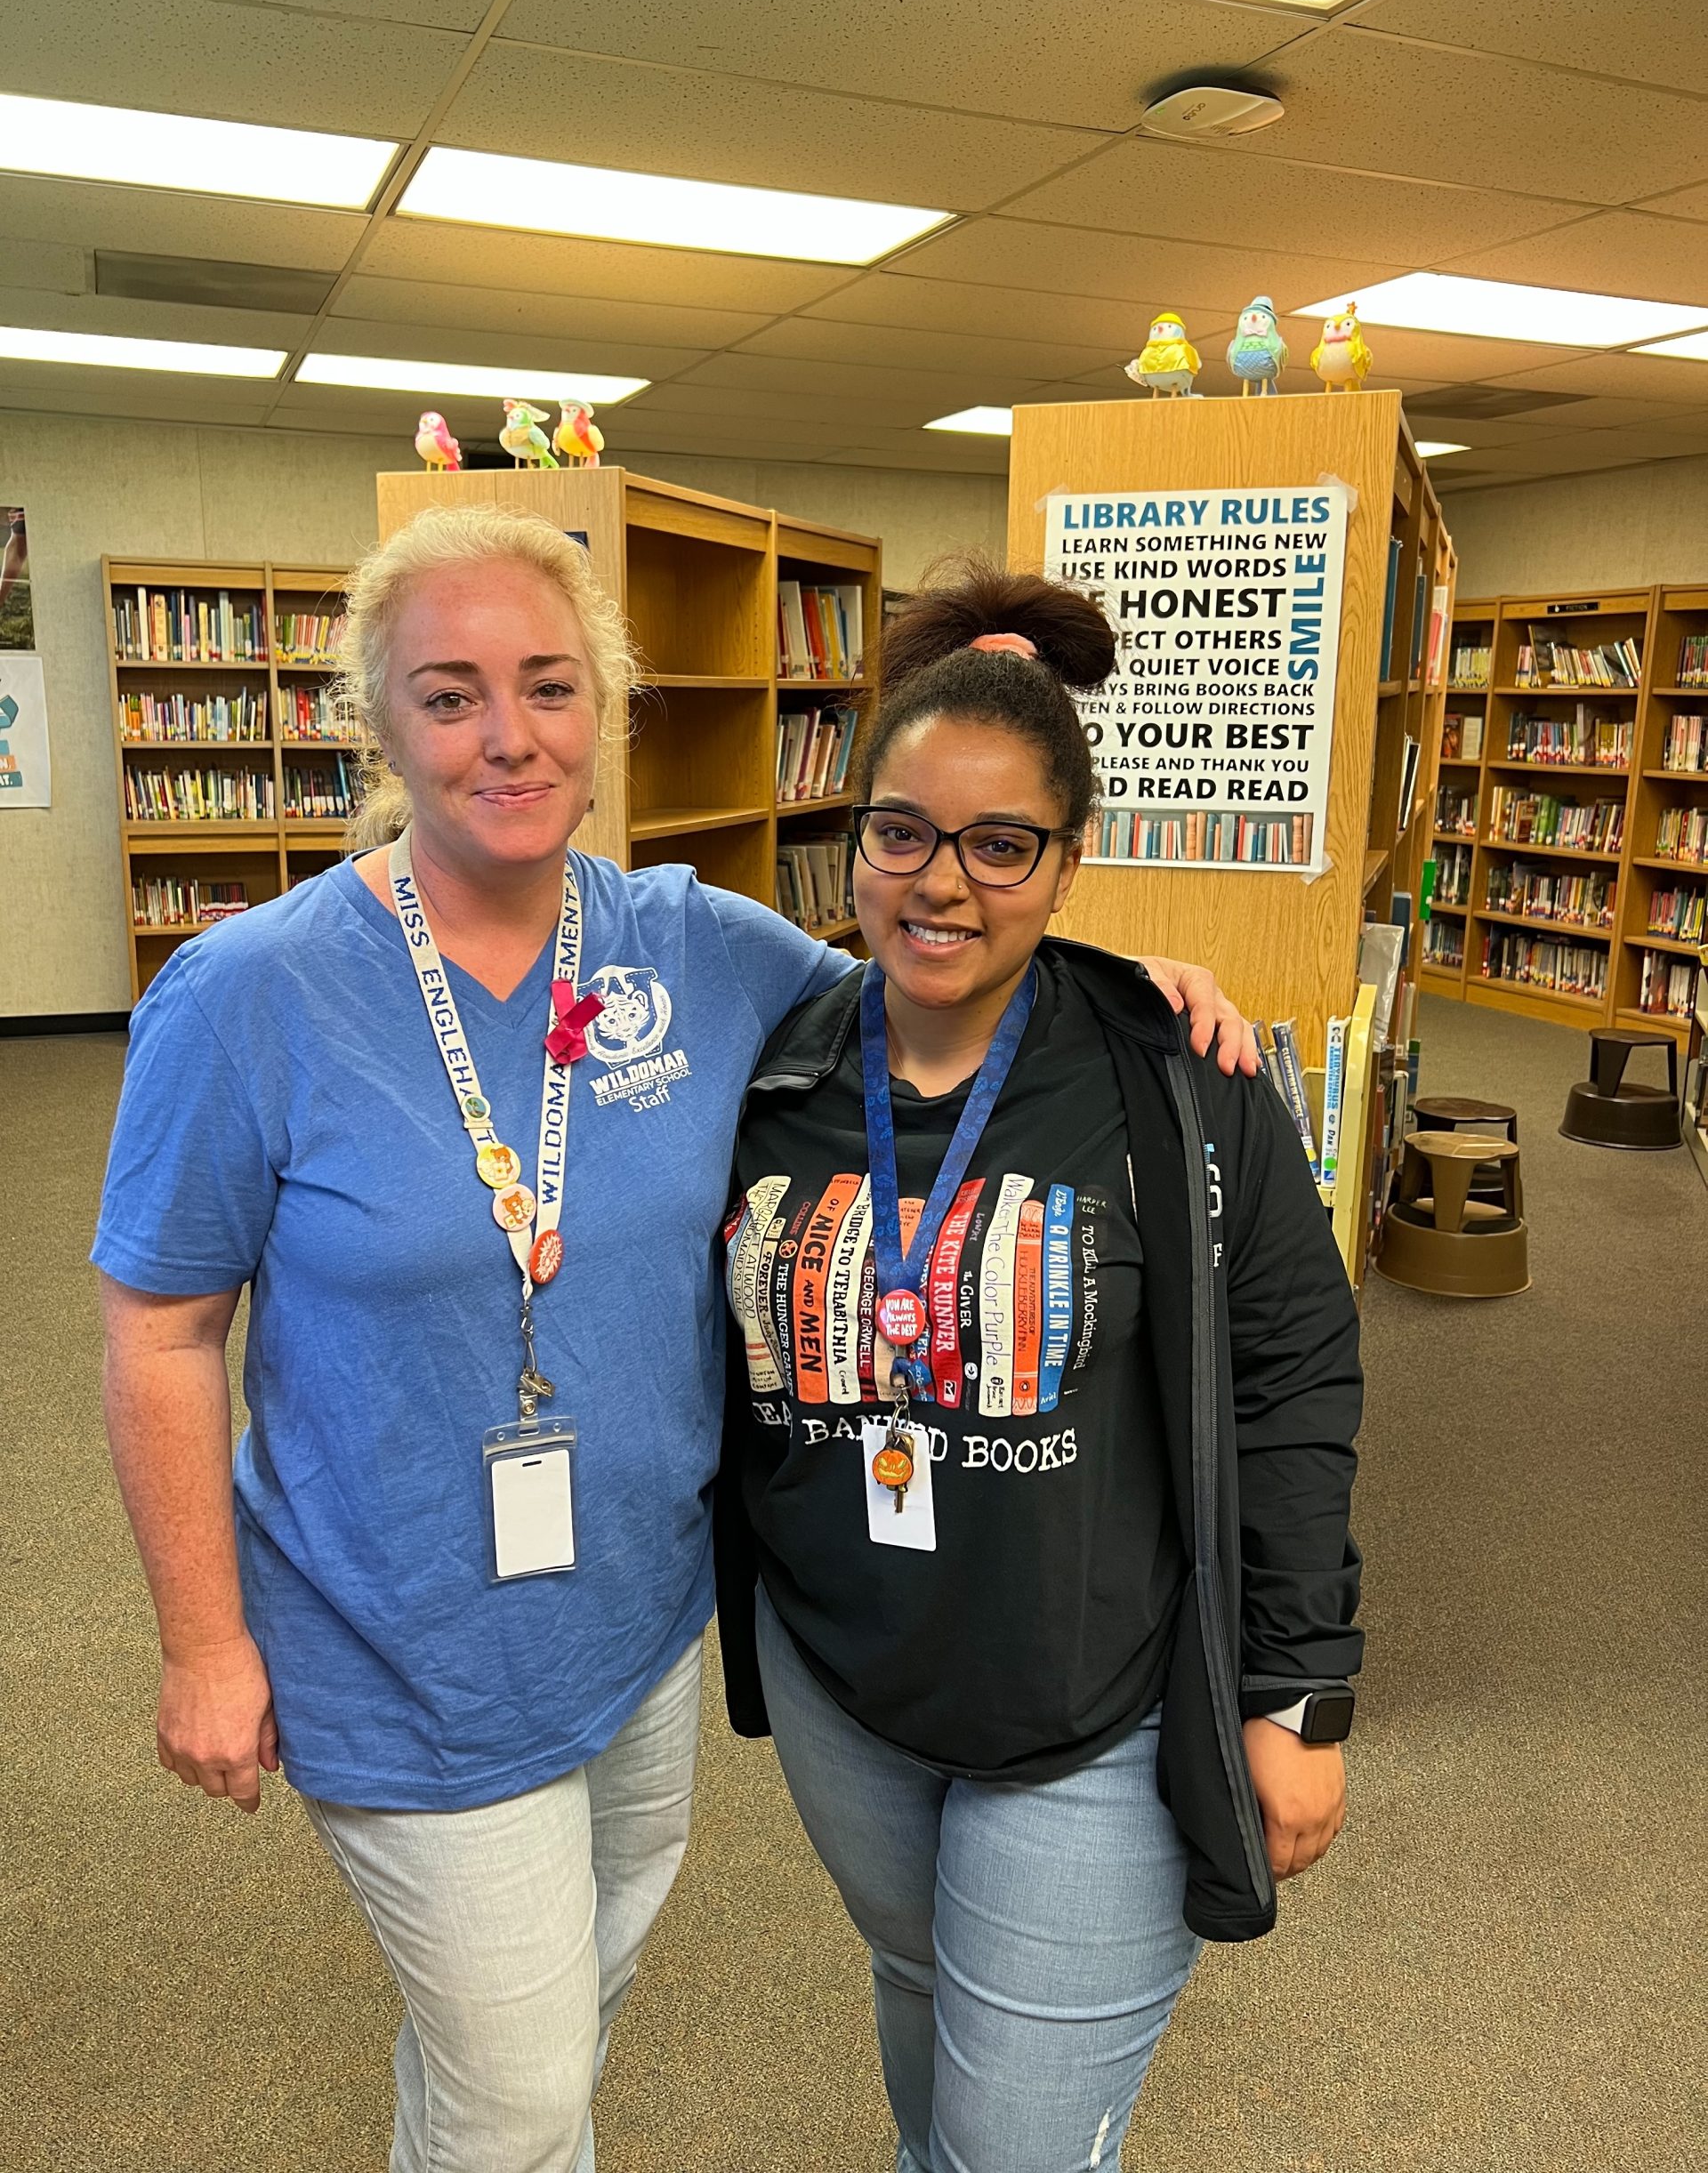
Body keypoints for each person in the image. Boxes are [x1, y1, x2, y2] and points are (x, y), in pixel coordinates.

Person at [93, 506, 1253, 2173]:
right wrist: (204, 1645)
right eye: (450, 693)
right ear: (376, 718)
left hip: (638, 1633)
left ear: (607, 705)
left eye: (550, 685)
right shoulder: (248, 995)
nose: (509, 735)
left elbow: (938, 977)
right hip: (397, 1633)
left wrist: (1123, 979)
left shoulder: (693, 946)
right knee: (520, 2080)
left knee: (547, 2037)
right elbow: (161, 1330)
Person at [716, 566, 1364, 2173]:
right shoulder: (773, 1066)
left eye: (1004, 845)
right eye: (903, 834)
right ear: (854, 838)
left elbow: (1289, 1379)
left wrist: (1301, 1689)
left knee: (1010, 2146)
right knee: (921, 1989)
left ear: (1070, 865)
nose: (944, 884)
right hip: (843, 1679)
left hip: (1100, 1705)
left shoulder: (1177, 1076)